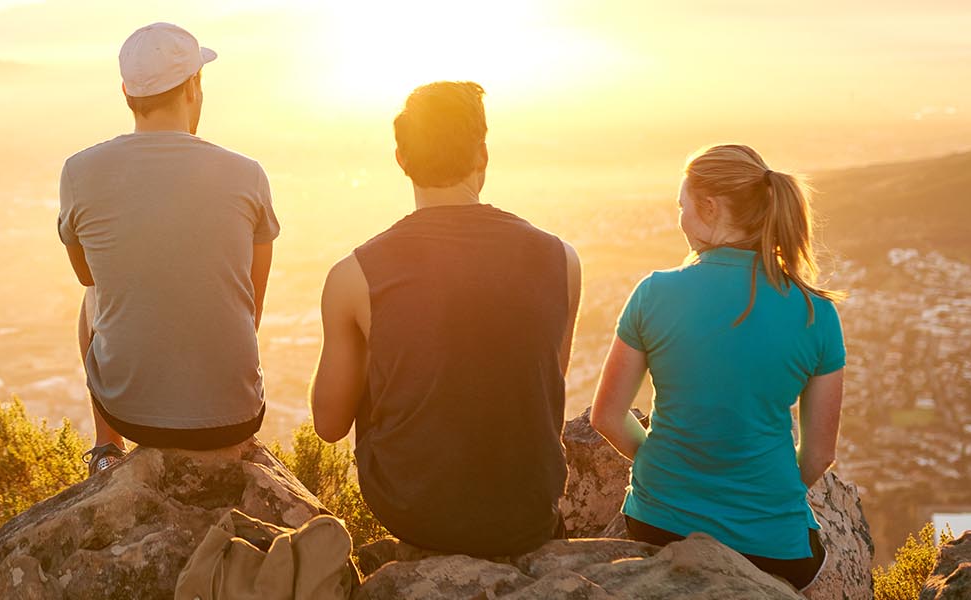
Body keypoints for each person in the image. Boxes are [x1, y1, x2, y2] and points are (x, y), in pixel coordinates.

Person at [307, 81, 581, 557]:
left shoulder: (353, 276)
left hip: (414, 511)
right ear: (483, 155)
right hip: (528, 513)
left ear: (401, 159)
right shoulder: (562, 260)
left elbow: (329, 425)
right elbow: (546, 380)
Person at [589, 144, 847, 590]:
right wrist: (764, 498)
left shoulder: (654, 293)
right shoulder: (816, 312)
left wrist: (666, 468)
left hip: (658, 526)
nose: (680, 218)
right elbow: (820, 453)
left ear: (708, 207)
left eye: (682, 206)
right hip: (772, 549)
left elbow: (607, 417)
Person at [59, 23, 278, 475]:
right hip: (234, 417)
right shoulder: (247, 173)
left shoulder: (79, 172)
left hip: (131, 414)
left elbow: (87, 275)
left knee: (93, 296)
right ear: (194, 87)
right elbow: (251, 304)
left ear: (126, 91)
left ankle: (106, 449)